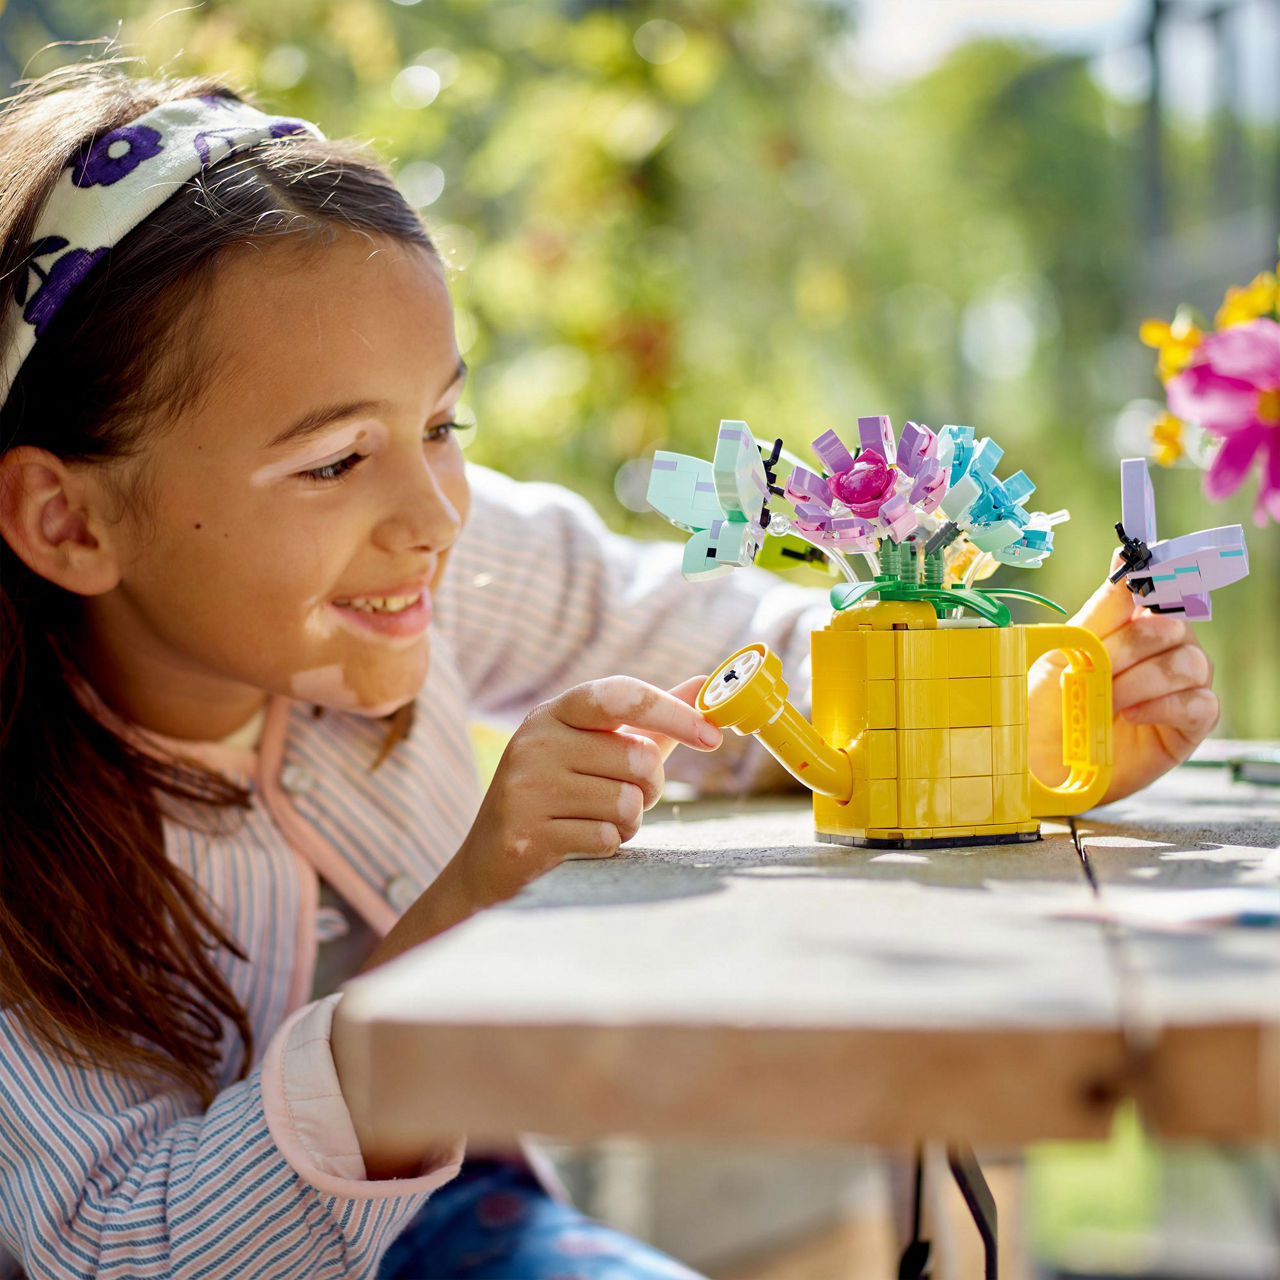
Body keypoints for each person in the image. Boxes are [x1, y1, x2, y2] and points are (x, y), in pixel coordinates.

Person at [0, 63, 1219, 1280]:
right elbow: (121, 1249)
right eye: (331, 461)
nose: (431, 512)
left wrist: (1007, 722)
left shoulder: (440, 566)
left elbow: (735, 653)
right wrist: (464, 908)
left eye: (439, 427)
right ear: (69, 522)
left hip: (458, 1226)